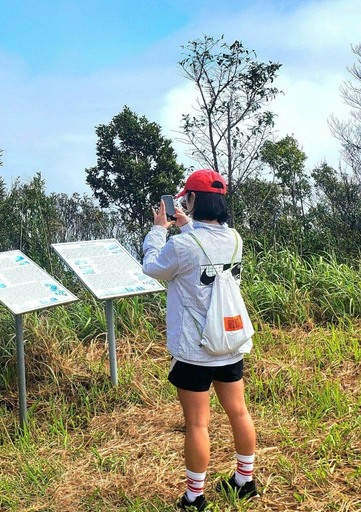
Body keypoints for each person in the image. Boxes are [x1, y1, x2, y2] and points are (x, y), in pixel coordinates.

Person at [142, 169, 259, 511]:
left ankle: (194, 496)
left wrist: (158, 230)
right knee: (238, 411)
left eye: (186, 197)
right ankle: (245, 479)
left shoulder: (181, 245)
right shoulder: (235, 239)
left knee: (197, 423)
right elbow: (206, 250)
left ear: (192, 199)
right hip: (230, 344)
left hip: (195, 350)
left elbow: (153, 267)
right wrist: (185, 228)